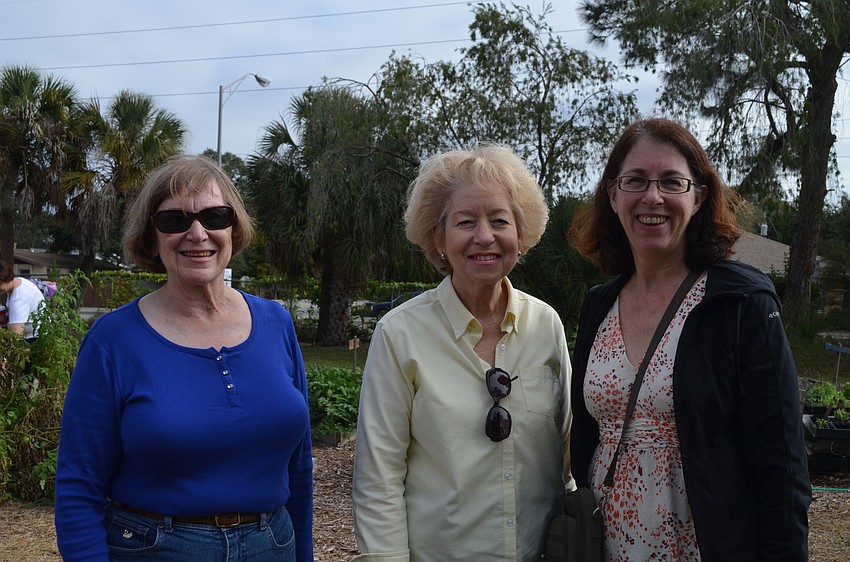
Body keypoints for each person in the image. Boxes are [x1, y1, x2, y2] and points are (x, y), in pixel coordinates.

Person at [568, 117, 811, 561]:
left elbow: (783, 466)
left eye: (672, 182)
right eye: (636, 180)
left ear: (698, 197)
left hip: (704, 546)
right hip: (605, 545)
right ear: (613, 195)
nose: (652, 196)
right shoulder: (599, 305)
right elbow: (586, 439)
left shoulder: (740, 302)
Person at [54, 155, 313, 562]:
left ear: (234, 227)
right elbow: (78, 485)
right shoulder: (113, 340)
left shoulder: (276, 323)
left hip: (273, 544)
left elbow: (299, 469)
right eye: (174, 220)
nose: (197, 233)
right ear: (151, 235)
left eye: (215, 216)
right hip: (155, 549)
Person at [352, 144, 572, 562]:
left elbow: (566, 458)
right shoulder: (400, 335)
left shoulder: (546, 326)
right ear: (439, 238)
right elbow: (378, 479)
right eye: (465, 222)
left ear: (521, 235)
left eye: (500, 220)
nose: (484, 236)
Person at [0, 260, 46, 341]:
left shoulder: (18, 299)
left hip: (34, 339)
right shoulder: (17, 282)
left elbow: (16, 336)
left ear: (7, 279)